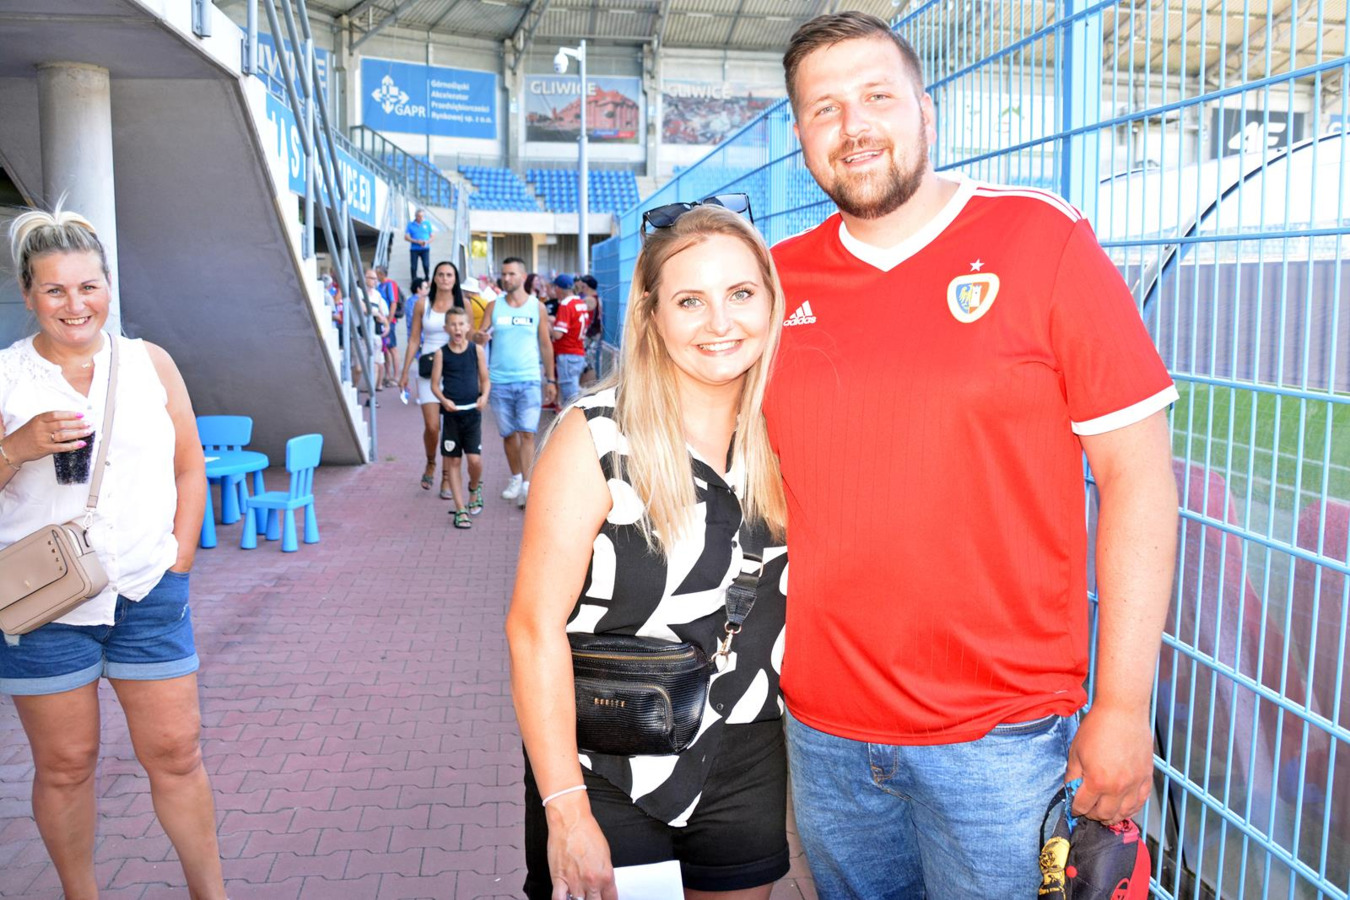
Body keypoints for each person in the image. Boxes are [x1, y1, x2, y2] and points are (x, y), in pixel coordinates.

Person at [765, 13, 1181, 898]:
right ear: (801, 134)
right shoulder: (774, 282)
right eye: (824, 108)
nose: (853, 126)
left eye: (877, 96)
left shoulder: (1041, 239)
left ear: (927, 110)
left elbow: (1138, 479)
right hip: (825, 733)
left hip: (1002, 739)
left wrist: (1122, 705)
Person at [506, 203, 790, 900]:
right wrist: (565, 809)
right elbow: (533, 628)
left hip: (749, 754)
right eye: (690, 301)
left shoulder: (789, 432)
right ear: (652, 315)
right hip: (607, 759)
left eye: (741, 294)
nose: (720, 323)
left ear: (771, 302)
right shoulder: (595, 436)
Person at [0, 207, 227, 899]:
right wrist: (18, 447)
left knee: (177, 755)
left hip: (147, 592)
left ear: (108, 288)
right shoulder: (7, 376)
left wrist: (179, 562)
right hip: (42, 604)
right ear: (28, 294)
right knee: (66, 766)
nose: (75, 304)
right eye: (55, 289)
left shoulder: (150, 363)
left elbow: (190, 465)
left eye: (88, 286)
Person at [477, 257, 556, 509]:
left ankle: (527, 487)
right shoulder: (494, 306)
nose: (506, 278)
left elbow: (545, 344)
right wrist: (477, 337)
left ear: (523, 277)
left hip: (529, 380)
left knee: (528, 433)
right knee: (509, 435)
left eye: (511, 274)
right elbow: (479, 337)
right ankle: (516, 478)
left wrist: (550, 379)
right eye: (504, 274)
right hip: (499, 381)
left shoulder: (537, 307)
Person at [399, 261, 464, 496]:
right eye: (441, 274)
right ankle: (431, 462)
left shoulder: (462, 303)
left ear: (455, 279)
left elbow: (468, 340)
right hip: (428, 369)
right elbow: (414, 339)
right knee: (432, 426)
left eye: (449, 275)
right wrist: (404, 371)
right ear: (434, 278)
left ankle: (447, 477)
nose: (445, 278)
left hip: (455, 370)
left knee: (451, 428)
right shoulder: (422, 304)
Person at [429, 307, 490, 528]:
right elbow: (434, 385)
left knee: (474, 460)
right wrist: (444, 401)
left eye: (461, 324)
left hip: (472, 414)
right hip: (452, 415)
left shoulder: (477, 351)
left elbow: (485, 380)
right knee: (453, 461)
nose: (457, 328)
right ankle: (461, 509)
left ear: (468, 327)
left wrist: (484, 396)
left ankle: (474, 487)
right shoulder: (441, 354)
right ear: (446, 328)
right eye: (453, 324)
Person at [549, 273, 589, 407]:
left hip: (568, 353)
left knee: (571, 399)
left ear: (559, 288)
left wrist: (548, 325)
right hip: (578, 351)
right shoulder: (580, 302)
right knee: (573, 392)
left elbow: (558, 334)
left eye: (555, 287)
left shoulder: (566, 304)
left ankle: (576, 419)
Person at [375, 265, 402, 386]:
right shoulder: (379, 286)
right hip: (382, 321)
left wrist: (389, 322)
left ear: (381, 274)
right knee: (385, 348)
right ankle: (388, 375)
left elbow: (393, 303)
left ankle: (396, 376)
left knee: (392, 348)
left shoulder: (390, 284)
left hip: (389, 321)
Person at [405, 208, 432, 280]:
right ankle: (414, 280)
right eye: (419, 216)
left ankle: (427, 278)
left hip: (425, 248)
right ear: (416, 216)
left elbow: (432, 236)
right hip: (414, 249)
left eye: (422, 216)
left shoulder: (427, 224)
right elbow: (406, 237)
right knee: (413, 267)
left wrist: (426, 242)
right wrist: (416, 241)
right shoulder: (410, 225)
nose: (421, 218)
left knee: (426, 265)